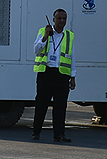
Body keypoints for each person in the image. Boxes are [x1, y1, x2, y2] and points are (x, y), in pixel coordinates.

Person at [32, 8, 76, 143]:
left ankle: (59, 134)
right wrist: (45, 36)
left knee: (61, 106)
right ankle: (36, 132)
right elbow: (36, 49)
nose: (62, 21)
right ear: (53, 19)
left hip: (62, 75)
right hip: (46, 73)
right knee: (41, 104)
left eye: (64, 18)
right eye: (59, 18)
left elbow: (72, 57)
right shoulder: (43, 32)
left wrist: (73, 77)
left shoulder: (69, 36)